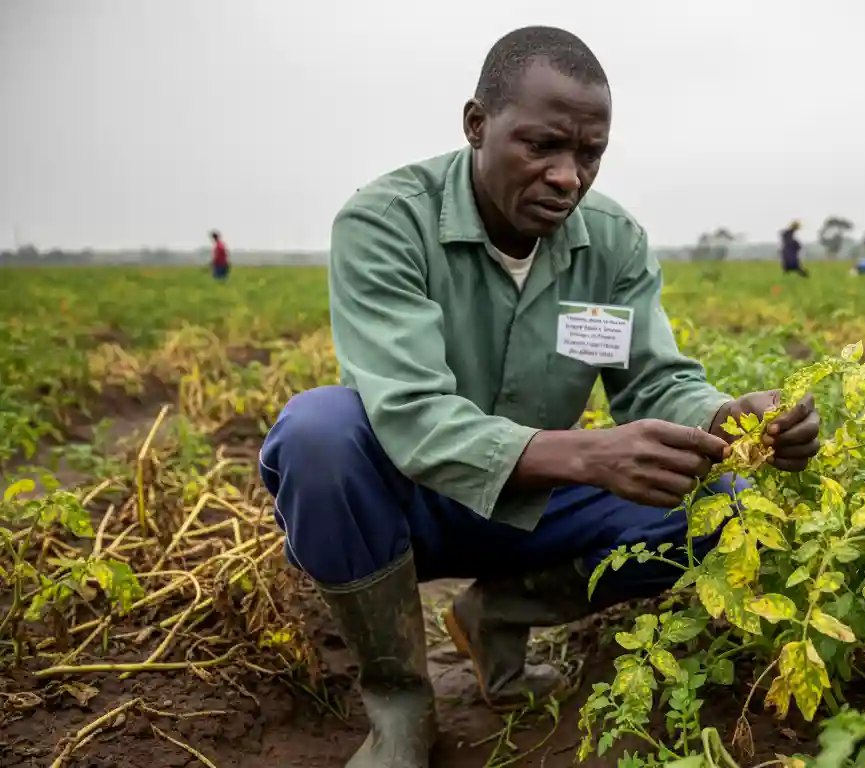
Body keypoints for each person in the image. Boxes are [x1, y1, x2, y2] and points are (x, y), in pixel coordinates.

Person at [257, 26, 822, 768]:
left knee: (731, 506)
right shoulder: (389, 221)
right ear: (476, 125)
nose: (567, 176)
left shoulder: (610, 241)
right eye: (542, 146)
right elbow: (410, 414)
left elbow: (651, 382)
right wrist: (587, 453)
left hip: (530, 504)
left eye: (589, 153)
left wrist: (728, 417)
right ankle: (400, 704)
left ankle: (496, 613)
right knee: (317, 432)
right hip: (407, 501)